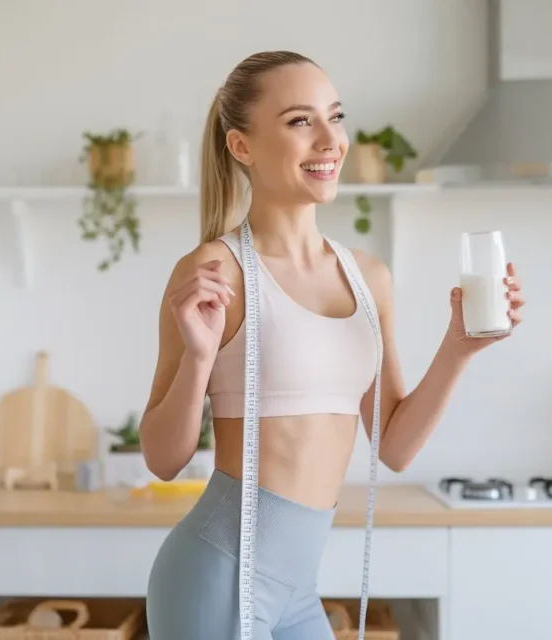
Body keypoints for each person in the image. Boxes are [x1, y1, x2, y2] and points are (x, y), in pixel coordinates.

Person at [140, 51, 525, 639]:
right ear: (241, 147)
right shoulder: (216, 272)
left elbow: (393, 447)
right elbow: (163, 460)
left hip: (298, 591)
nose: (330, 140)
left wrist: (458, 348)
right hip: (217, 576)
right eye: (300, 121)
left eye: (335, 117)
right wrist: (198, 357)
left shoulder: (368, 277)